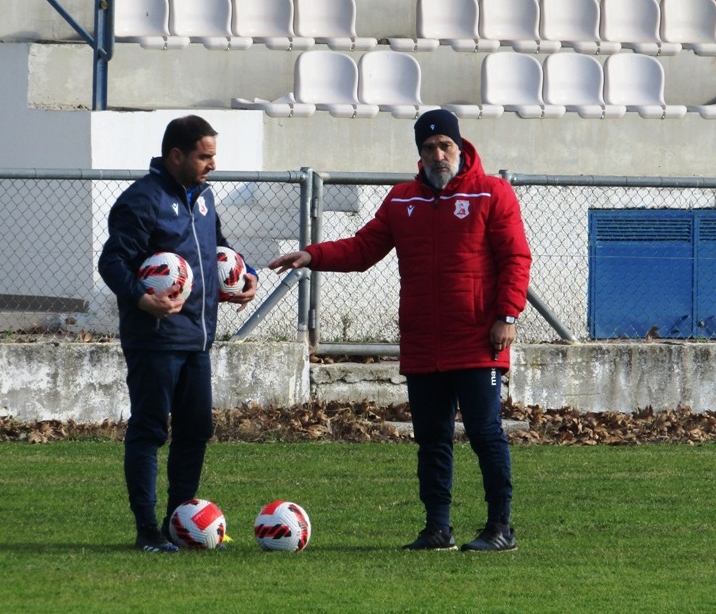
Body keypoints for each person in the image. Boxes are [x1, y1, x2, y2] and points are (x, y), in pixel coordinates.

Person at [268, 109, 531, 552]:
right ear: (419, 154)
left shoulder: (492, 192)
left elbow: (516, 258)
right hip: (424, 342)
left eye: (445, 145)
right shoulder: (402, 200)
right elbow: (363, 247)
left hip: (477, 339)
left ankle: (500, 527)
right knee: (431, 439)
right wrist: (312, 255)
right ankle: (437, 528)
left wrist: (506, 316)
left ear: (459, 146)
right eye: (428, 148)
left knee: (486, 433)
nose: (438, 155)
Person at [98, 115, 258, 553]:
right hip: (155, 339)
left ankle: (180, 524)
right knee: (150, 430)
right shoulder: (141, 201)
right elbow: (112, 263)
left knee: (196, 430)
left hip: (197, 339)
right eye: (205, 156)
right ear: (177, 156)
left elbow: (218, 250)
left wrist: (246, 275)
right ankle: (147, 531)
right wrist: (140, 297)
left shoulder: (203, 199)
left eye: (213, 156)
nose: (212, 165)